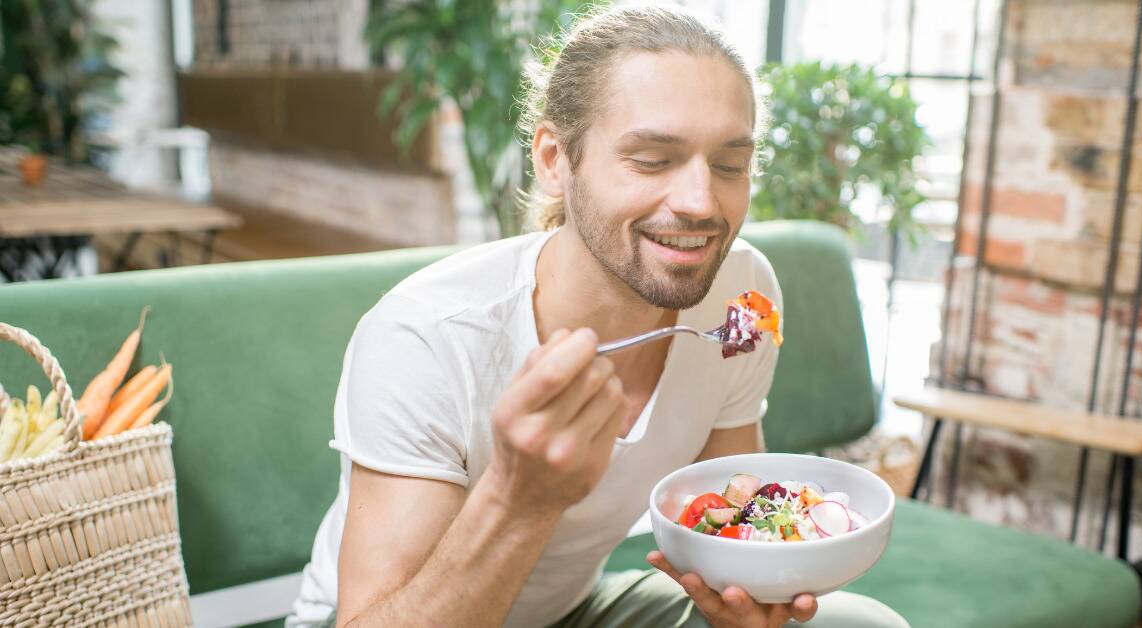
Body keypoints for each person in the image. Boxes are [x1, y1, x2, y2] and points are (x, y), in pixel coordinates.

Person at [288, 6, 908, 627]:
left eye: (729, 165)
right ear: (556, 160)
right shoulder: (425, 337)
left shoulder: (741, 295)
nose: (700, 203)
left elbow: (731, 503)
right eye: (651, 159)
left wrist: (748, 594)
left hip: (571, 611)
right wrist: (516, 498)